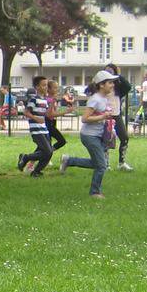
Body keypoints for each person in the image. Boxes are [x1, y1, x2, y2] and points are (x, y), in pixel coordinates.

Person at [59, 70, 116, 199]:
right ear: (102, 85)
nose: (112, 85)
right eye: (110, 83)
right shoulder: (95, 99)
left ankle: (69, 160)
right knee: (102, 166)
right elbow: (85, 119)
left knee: (99, 163)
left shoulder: (103, 98)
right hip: (90, 136)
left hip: (98, 135)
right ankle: (95, 192)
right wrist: (103, 116)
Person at [17, 76, 54, 178]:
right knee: (47, 151)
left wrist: (53, 104)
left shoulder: (44, 100)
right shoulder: (33, 99)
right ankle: (26, 157)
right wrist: (36, 118)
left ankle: (36, 171)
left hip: (44, 129)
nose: (46, 87)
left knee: (49, 152)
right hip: (36, 130)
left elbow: (47, 114)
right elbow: (26, 112)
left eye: (47, 85)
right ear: (37, 87)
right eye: (43, 85)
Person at [104, 63, 134, 170]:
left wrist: (118, 75)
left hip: (116, 115)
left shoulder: (118, 86)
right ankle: (105, 164)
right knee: (106, 139)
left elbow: (128, 87)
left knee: (124, 137)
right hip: (105, 115)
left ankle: (122, 163)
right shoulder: (102, 86)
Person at [45, 80, 71, 153]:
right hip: (48, 123)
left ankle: (47, 154)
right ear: (49, 89)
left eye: (57, 87)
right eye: (55, 87)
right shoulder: (48, 100)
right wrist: (66, 112)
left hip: (52, 122)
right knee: (60, 141)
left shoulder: (54, 99)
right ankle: (44, 155)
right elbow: (50, 114)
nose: (57, 89)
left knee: (47, 144)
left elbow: (54, 113)